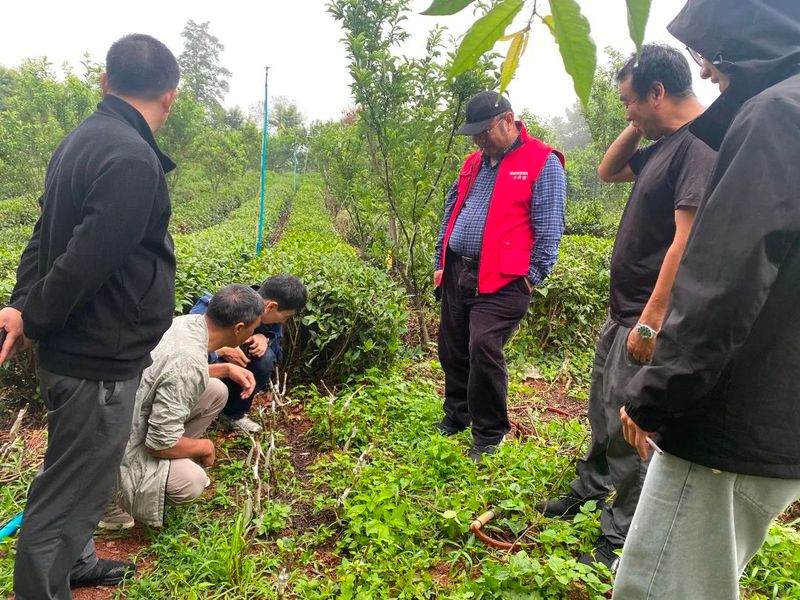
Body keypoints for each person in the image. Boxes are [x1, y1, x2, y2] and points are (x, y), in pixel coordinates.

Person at [614, 1, 800, 597]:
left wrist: (656, 395)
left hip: (732, 420)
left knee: (659, 586)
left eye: (711, 61)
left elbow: (724, 279)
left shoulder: (777, 115)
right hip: (779, 413)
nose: (709, 75)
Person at [0, 34, 179, 596]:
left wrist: (19, 303)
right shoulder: (130, 157)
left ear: (105, 82)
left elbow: (43, 237)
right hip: (96, 357)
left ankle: (76, 563)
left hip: (83, 350)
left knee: (76, 474)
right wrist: (35, 316)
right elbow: (83, 261)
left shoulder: (83, 139)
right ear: (170, 97)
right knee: (70, 491)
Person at [536, 44, 717, 569]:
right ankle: (590, 486)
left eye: (630, 102)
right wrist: (640, 125)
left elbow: (685, 242)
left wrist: (651, 322)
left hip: (645, 318)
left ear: (658, 92)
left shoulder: (697, 149)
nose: (626, 112)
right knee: (602, 409)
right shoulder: (664, 144)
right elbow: (608, 170)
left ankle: (620, 530)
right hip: (623, 312)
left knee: (633, 418)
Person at [433, 91, 566, 463]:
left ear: (509, 120)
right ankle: (457, 414)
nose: (479, 140)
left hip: (505, 278)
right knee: (453, 345)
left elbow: (550, 226)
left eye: (485, 131)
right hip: (460, 269)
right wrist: (440, 260)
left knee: (483, 348)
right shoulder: (472, 164)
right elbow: (451, 212)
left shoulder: (542, 162)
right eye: (473, 134)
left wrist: (533, 276)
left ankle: (490, 432)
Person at [106, 284, 264, 529]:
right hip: (118, 448)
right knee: (192, 481)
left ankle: (167, 464)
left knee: (215, 390)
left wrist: (225, 369)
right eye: (254, 328)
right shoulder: (188, 364)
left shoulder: (186, 324)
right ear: (239, 328)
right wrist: (204, 446)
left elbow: (171, 373)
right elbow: (159, 444)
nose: (255, 333)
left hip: (123, 415)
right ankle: (110, 500)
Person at [188, 274, 307, 434]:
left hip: (230, 370)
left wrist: (264, 338)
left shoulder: (271, 321)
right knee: (213, 387)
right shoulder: (227, 303)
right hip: (199, 368)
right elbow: (187, 343)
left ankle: (232, 415)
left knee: (266, 358)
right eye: (285, 316)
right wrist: (220, 349)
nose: (284, 321)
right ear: (271, 306)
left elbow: (277, 354)